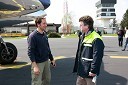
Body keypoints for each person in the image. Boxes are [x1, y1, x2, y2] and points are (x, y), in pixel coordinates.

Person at [73, 15, 104, 85]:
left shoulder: (96, 38)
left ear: (87, 26)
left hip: (89, 73)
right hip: (81, 71)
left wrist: (93, 70)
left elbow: (97, 56)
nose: (79, 26)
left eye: (81, 25)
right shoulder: (82, 36)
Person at [27, 17, 56, 85]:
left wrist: (52, 59)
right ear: (38, 24)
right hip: (38, 63)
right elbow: (30, 52)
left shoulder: (44, 35)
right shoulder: (32, 36)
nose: (46, 25)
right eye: (44, 23)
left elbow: (47, 48)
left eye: (46, 23)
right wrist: (35, 66)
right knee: (37, 82)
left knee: (47, 80)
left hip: (46, 61)